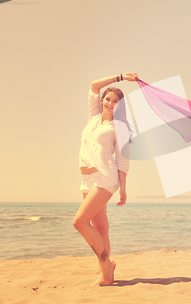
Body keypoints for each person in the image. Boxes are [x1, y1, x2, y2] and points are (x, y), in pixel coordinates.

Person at [73, 73, 137, 285]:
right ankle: (106, 275)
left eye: (115, 101)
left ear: (120, 106)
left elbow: (123, 160)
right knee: (100, 228)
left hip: (105, 179)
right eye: (107, 99)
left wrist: (123, 188)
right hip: (86, 178)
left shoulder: (120, 128)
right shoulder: (93, 117)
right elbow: (93, 85)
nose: (110, 103)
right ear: (102, 100)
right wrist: (120, 77)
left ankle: (106, 263)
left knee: (79, 222)